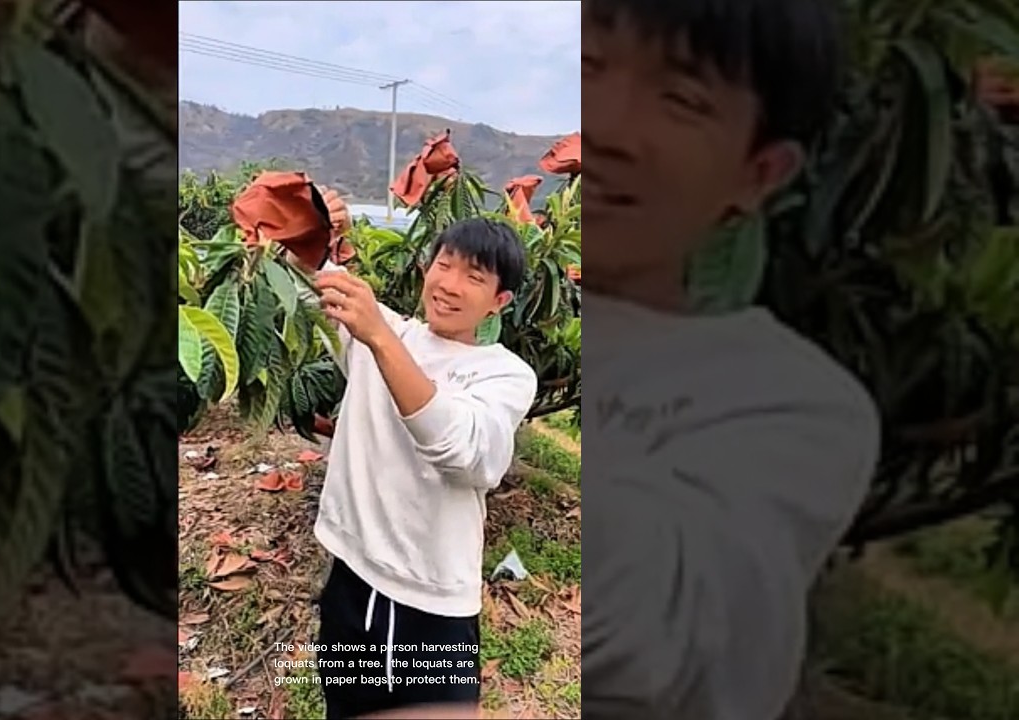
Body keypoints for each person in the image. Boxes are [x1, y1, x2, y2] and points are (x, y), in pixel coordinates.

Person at [582, 1, 882, 719]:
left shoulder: (792, 403)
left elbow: (662, 631)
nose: (603, 124)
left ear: (759, 173)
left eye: (682, 98)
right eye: (585, 65)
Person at [279, 191, 538, 719]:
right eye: (444, 264)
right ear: (426, 268)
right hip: (350, 580)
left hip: (432, 605)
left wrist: (378, 336)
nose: (450, 284)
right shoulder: (386, 332)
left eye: (474, 276)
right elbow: (310, 273)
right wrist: (313, 220)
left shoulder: (505, 374)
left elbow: (463, 451)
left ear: (500, 301)